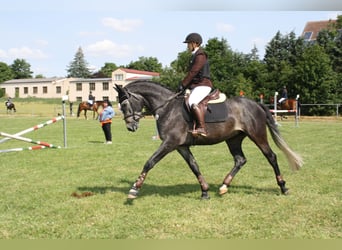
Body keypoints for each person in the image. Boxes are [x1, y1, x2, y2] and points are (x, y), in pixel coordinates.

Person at [178, 32, 213, 137]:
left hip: (203, 85)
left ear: (194, 44)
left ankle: (202, 128)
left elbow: (193, 72)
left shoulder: (200, 55)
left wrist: (183, 84)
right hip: (197, 85)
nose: (187, 46)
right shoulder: (194, 56)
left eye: (188, 44)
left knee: (192, 101)